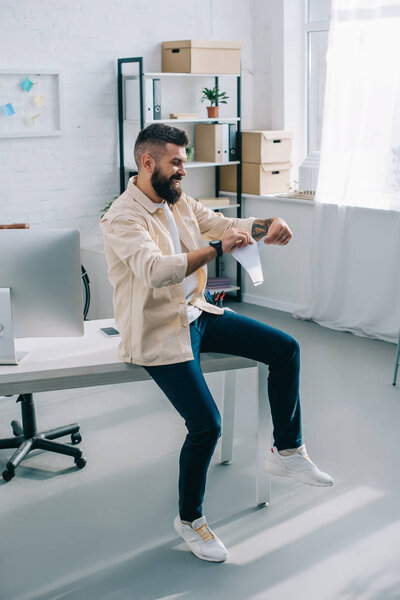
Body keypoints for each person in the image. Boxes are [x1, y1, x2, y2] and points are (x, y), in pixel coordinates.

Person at [100, 123, 333, 563]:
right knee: (206, 424)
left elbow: (227, 223)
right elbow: (155, 270)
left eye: (183, 163)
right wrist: (216, 247)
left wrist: (268, 225)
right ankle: (190, 520)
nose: (182, 172)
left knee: (285, 349)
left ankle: (286, 450)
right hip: (158, 331)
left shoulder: (178, 201)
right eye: (176, 163)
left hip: (198, 316)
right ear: (147, 163)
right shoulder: (121, 217)